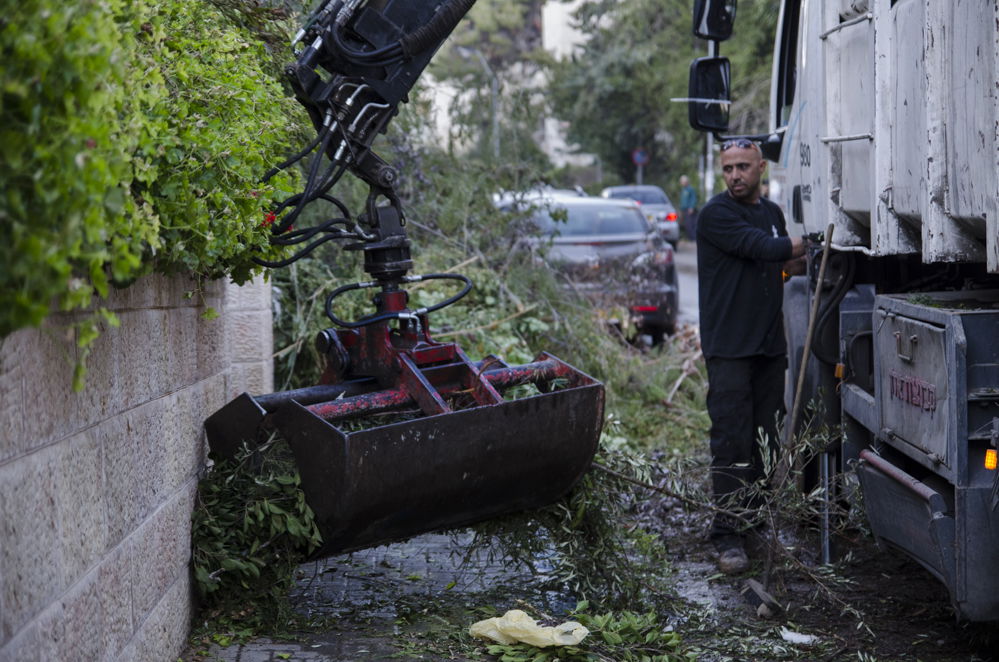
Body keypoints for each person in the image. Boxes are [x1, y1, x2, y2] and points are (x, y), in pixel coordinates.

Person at [695, 138, 807, 574]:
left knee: (766, 440)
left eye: (743, 167)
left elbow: (777, 265)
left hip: (767, 347)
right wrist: (809, 242)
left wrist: (800, 262)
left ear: (762, 167)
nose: (735, 176)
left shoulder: (773, 214)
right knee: (731, 442)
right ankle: (727, 535)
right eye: (728, 169)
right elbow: (762, 249)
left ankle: (755, 521)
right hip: (729, 349)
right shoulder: (716, 214)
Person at [678, 175, 698, 241]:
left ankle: (693, 238)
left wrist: (691, 207)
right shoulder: (683, 189)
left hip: (690, 209)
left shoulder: (690, 189)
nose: (681, 183)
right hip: (684, 210)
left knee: (691, 224)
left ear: (686, 182)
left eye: (682, 182)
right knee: (686, 224)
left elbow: (693, 198)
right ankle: (690, 238)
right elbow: (683, 200)